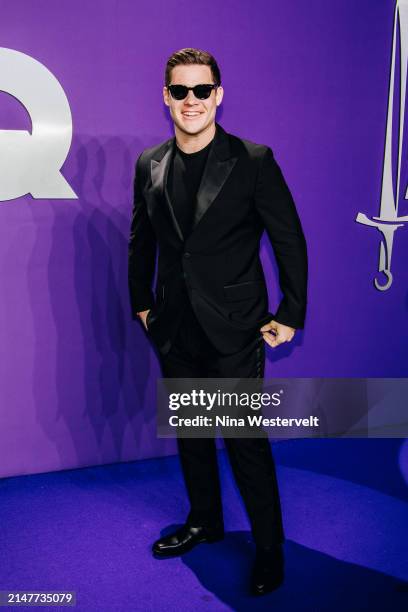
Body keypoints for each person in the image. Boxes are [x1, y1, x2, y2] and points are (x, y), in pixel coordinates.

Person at [128, 48, 307, 596]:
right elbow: (142, 241)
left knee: (244, 441)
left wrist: (290, 312)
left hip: (235, 326)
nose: (190, 102)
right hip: (174, 327)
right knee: (193, 433)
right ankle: (204, 521)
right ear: (166, 96)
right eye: (179, 91)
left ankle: (269, 548)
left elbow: (288, 238)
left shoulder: (252, 160)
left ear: (218, 95)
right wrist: (143, 305)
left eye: (200, 91)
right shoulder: (150, 163)